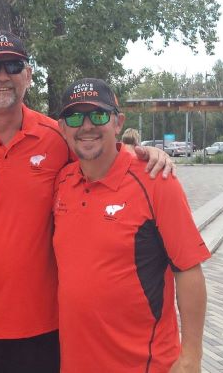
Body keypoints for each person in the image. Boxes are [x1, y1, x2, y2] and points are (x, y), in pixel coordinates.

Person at [0, 31, 174, 373]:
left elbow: (99, 153)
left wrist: (141, 153)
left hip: (43, 332)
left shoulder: (57, 137)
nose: (3, 75)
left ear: (28, 75)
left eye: (13, 65)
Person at [53, 78, 210, 372]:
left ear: (117, 123)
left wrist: (191, 357)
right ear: (62, 128)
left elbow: (188, 268)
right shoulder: (62, 182)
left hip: (143, 364)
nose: (86, 126)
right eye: (75, 117)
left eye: (98, 115)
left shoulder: (155, 179)